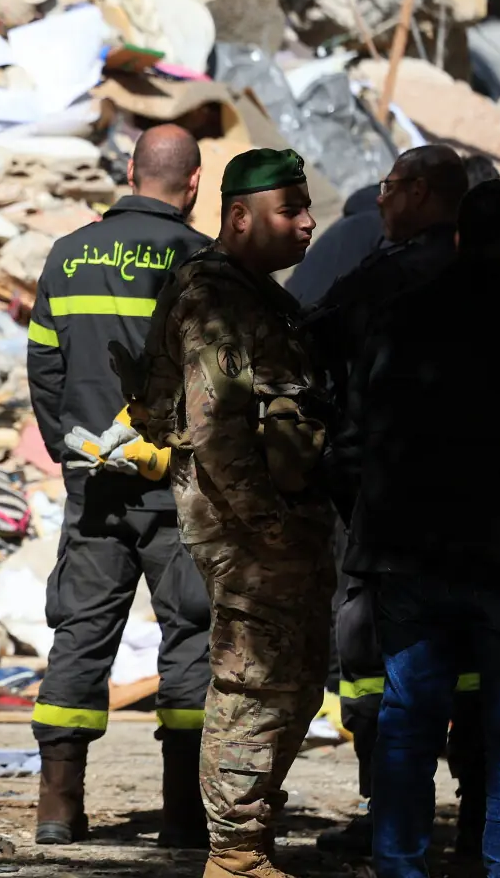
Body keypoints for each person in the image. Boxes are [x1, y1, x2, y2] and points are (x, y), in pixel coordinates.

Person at [120, 148, 335, 878]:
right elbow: (213, 430)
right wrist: (265, 527)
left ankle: (252, 841)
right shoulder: (215, 297)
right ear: (239, 217)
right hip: (249, 530)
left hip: (281, 524)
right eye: (290, 211)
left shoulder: (258, 295)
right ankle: (235, 853)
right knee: (252, 680)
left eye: (307, 208)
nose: (308, 224)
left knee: (296, 678)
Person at [345, 180, 500, 878]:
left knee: (408, 724)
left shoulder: (397, 319)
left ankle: (399, 867)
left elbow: (353, 437)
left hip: (409, 559)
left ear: (460, 235)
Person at [24, 124, 213, 848]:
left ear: (130, 170)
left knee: (80, 633)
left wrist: (68, 449)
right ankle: (185, 817)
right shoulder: (200, 262)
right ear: (194, 184)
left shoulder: (69, 253)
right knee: (192, 634)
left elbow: (44, 366)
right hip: (179, 492)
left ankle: (59, 808)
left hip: (94, 485)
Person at [305, 146, 486, 857]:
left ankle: (390, 818)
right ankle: (482, 822)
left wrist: (332, 465)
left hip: (389, 508)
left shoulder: (384, 278)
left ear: (419, 193)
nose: (379, 201)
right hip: (484, 514)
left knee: (375, 656)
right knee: (477, 662)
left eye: (389, 188)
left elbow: (311, 341)